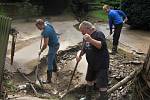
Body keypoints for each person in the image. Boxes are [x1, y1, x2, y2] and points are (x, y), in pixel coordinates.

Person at [76, 21, 109, 100]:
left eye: (82, 31)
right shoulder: (85, 37)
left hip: (101, 64)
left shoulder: (98, 34)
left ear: (88, 28)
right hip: (91, 64)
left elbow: (101, 45)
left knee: (102, 85)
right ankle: (88, 98)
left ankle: (103, 98)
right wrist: (79, 55)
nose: (82, 33)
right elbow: (84, 48)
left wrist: (90, 39)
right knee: (89, 80)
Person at [35, 19, 60, 83]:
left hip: (54, 46)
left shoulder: (46, 32)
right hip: (56, 42)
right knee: (52, 56)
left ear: (41, 25)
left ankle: (49, 80)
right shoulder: (47, 24)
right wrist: (42, 32)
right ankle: (55, 69)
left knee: (49, 61)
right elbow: (46, 22)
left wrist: (40, 51)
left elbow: (45, 44)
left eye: (38, 27)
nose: (38, 29)